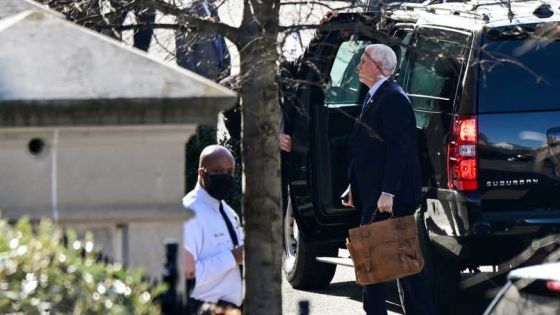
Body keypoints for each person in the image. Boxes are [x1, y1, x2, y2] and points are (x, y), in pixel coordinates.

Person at [340, 44, 435, 315]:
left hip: (388, 199)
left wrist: (389, 192)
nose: (359, 65)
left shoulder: (393, 98)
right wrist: (353, 185)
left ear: (380, 66)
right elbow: (367, 150)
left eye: (364, 60)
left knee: (387, 264)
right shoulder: (374, 95)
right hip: (375, 195)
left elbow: (399, 149)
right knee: (388, 265)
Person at [183, 145, 244, 314]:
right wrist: (233, 257)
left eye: (229, 172)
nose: (225, 176)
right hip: (202, 309)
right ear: (202, 173)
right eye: (218, 171)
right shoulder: (189, 213)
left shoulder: (227, 211)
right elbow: (187, 276)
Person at [175, 0, 231, 81]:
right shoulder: (187, 13)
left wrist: (226, 68)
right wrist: (194, 81)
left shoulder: (212, 8)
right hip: (202, 80)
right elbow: (183, 55)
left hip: (221, 77)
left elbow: (221, 43)